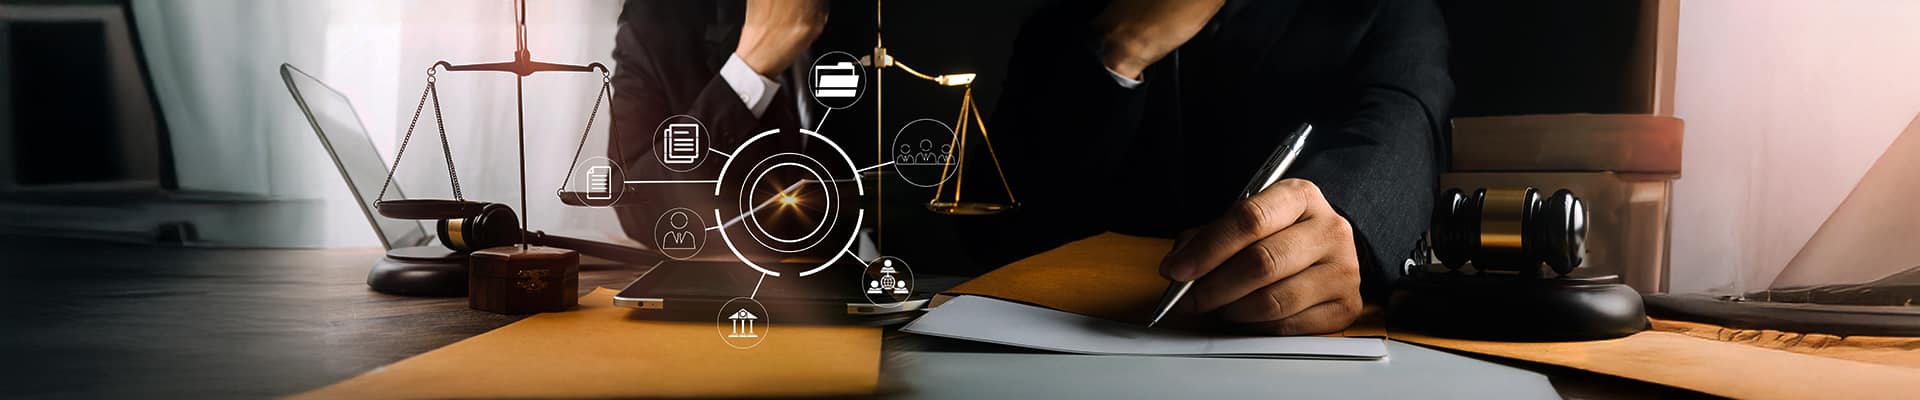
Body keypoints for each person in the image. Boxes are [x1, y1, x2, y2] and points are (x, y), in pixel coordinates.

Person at [964, 0, 1453, 336]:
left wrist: (1341, 221)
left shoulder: (1383, 10)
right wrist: (1123, 46)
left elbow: (1405, 123)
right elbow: (1001, 219)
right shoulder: (1065, 25)